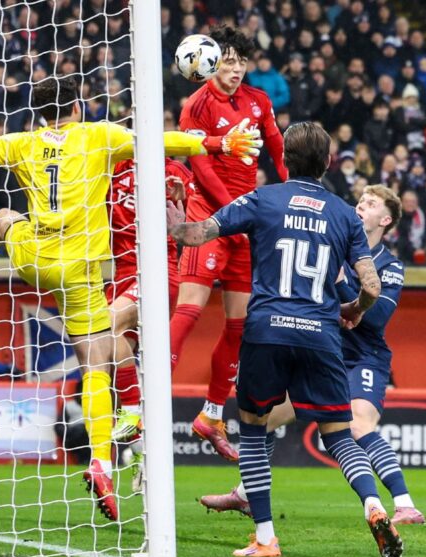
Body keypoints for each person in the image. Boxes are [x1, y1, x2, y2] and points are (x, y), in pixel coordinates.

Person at [0, 74, 261, 521]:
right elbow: (167, 141)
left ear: (38, 113)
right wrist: (224, 144)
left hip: (34, 258)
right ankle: (102, 461)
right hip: (81, 267)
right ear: (77, 108)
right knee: (95, 365)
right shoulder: (99, 135)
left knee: (5, 217)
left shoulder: (21, 142)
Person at [167, 123, 402, 557]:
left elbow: (199, 234)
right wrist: (354, 310)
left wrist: (174, 221)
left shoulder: (264, 197)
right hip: (321, 334)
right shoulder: (344, 214)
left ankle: (265, 538)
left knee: (254, 429)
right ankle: (373, 505)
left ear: (284, 160)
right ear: (328, 163)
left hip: (266, 331)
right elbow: (369, 283)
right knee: (339, 435)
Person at [200, 184, 426, 529]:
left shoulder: (389, 265)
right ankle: (247, 494)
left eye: (370, 203)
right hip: (323, 350)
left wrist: (339, 282)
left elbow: (376, 318)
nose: (360, 206)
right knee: (267, 421)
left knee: (358, 425)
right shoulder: (335, 241)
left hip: (363, 357)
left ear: (386, 219)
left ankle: (405, 504)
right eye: (360, 200)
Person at [169, 25, 288, 462]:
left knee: (239, 325)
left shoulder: (259, 102)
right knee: (191, 307)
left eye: (242, 61)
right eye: (229, 60)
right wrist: (232, 217)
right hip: (209, 217)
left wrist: (291, 194)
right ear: (210, 61)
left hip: (247, 223)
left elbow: (277, 151)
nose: (236, 69)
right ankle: (150, 394)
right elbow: (201, 169)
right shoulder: (195, 106)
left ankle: (212, 415)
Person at [105, 157, 192, 490]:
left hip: (157, 270)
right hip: (122, 276)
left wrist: (181, 204)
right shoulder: (112, 165)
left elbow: (188, 223)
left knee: (107, 322)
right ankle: (143, 450)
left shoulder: (173, 169)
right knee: (107, 350)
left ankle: (130, 411)